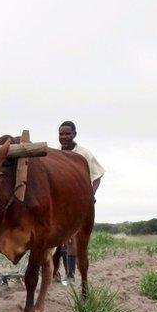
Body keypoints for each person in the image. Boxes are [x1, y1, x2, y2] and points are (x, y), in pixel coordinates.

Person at [54, 120, 104, 283]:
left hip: (78, 201)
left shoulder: (83, 153)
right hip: (58, 201)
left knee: (73, 238)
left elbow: (97, 175)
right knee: (57, 239)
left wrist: (90, 195)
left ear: (74, 134)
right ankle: (56, 272)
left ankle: (71, 275)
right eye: (61, 134)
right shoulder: (54, 153)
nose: (64, 137)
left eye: (67, 133)